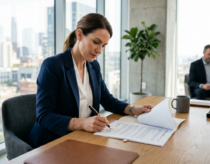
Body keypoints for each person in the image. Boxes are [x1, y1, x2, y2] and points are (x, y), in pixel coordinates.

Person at [27, 13, 153, 149]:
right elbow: (44, 116)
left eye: (104, 45)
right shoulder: (52, 66)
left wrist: (134, 109)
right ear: (80, 35)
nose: (99, 50)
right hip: (52, 143)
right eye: (96, 42)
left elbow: (107, 100)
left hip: (82, 138)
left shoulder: (93, 66)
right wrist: (82, 123)